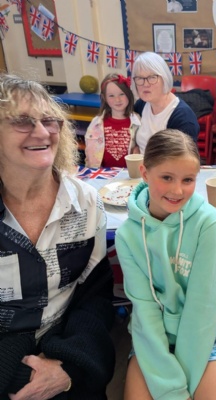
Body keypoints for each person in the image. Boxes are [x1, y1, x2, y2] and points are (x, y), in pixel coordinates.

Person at [0, 73, 115, 399]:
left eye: (50, 121)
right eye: (22, 121)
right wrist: (18, 373)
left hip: (61, 348)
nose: (42, 132)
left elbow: (95, 296)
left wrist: (69, 367)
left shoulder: (85, 203)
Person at [115, 129, 216, 400]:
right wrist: (172, 389)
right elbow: (145, 308)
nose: (177, 190)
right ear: (145, 173)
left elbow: (203, 306)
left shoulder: (208, 223)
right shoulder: (127, 235)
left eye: (188, 180)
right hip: (153, 338)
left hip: (208, 334)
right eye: (167, 177)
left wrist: (181, 388)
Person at [131, 52, 199, 154]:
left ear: (164, 78)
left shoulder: (183, 117)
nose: (145, 84)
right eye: (140, 78)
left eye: (152, 77)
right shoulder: (141, 105)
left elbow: (184, 159)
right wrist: (136, 150)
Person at [85, 73, 140, 168]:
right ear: (104, 98)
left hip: (128, 173)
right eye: (111, 96)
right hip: (102, 173)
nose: (117, 100)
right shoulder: (96, 123)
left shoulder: (138, 122)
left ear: (128, 94)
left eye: (122, 94)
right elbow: (89, 152)